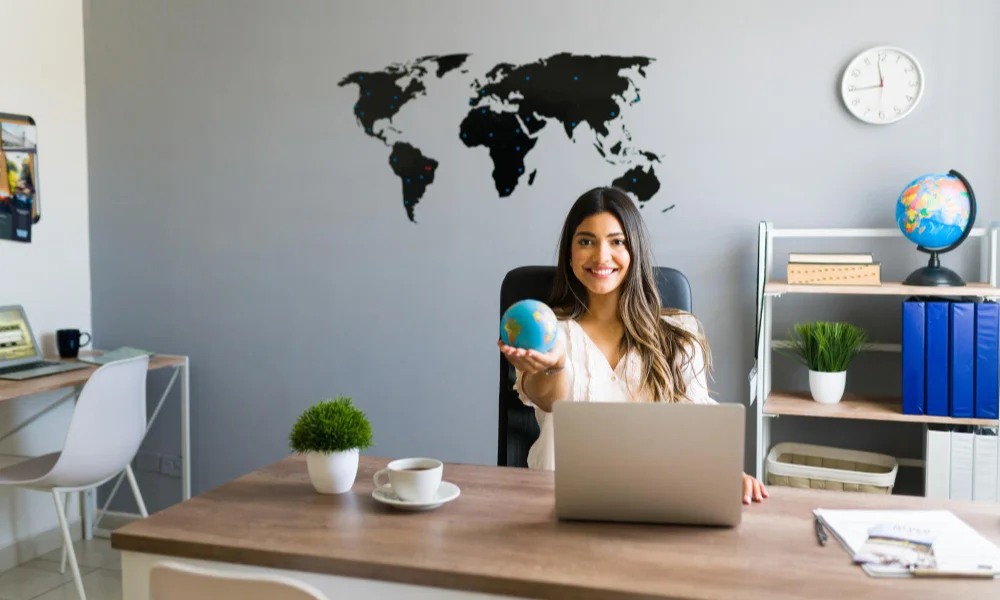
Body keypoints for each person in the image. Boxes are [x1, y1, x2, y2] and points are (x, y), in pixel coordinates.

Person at [498, 186, 768, 504]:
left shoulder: (679, 335)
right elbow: (546, 400)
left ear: (634, 252)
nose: (601, 256)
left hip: (655, 502)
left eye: (617, 242)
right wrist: (555, 364)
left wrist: (725, 471)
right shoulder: (550, 335)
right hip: (557, 504)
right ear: (569, 256)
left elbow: (696, 425)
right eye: (586, 241)